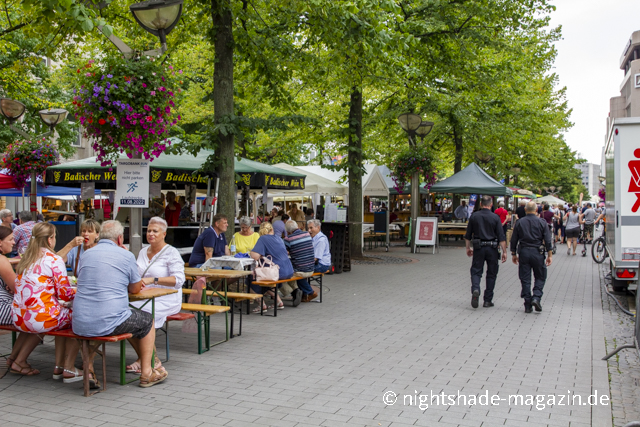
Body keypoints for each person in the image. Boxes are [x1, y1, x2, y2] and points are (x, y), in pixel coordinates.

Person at [72, 220, 167, 388]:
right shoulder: (126, 255)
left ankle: (89, 368)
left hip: (79, 320)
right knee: (146, 320)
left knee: (98, 321)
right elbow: (135, 288)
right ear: (120, 239)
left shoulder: (87, 254)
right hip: (108, 320)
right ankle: (147, 372)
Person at [11, 223, 87, 383]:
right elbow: (65, 294)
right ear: (50, 239)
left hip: (18, 317)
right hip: (40, 319)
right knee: (79, 317)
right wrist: (81, 289)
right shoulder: (53, 260)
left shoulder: (26, 258)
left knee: (46, 316)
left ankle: (21, 361)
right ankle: (68, 367)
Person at [126, 217, 185, 374]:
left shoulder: (172, 253)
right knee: (123, 314)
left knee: (145, 316)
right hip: (144, 297)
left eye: (155, 231)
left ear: (164, 234)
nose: (151, 234)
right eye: (149, 230)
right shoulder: (143, 251)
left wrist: (154, 279)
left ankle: (148, 360)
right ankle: (148, 359)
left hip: (167, 298)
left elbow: (179, 280)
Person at [464, 196, 507, 309]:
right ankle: (488, 300)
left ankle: (476, 289)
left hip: (478, 248)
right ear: (491, 204)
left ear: (481, 204)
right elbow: (501, 236)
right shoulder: (495, 217)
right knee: (491, 273)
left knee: (476, 271)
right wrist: (504, 252)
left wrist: (468, 248)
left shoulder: (474, 216)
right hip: (492, 248)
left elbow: (468, 235)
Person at [510, 201, 553, 313]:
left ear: (525, 210)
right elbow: (548, 240)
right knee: (540, 276)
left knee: (525, 278)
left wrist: (513, 253)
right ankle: (536, 297)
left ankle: (527, 303)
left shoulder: (519, 222)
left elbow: (514, 239)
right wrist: (549, 254)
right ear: (536, 210)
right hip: (537, 252)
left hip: (524, 252)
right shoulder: (542, 222)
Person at [249, 222, 294, 310]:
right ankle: (278, 301)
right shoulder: (279, 238)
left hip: (278, 272)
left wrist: (254, 252)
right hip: (289, 270)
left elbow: (255, 256)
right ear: (272, 229)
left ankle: (261, 304)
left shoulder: (263, 239)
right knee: (265, 280)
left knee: (251, 279)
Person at [283, 220, 317, 306]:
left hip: (300, 270)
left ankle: (299, 292)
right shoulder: (307, 234)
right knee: (299, 270)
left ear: (288, 231)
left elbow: (283, 252)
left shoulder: (288, 239)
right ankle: (302, 293)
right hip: (311, 266)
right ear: (297, 227)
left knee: (285, 274)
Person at [307, 218, 332, 293]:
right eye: (308, 228)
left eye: (311, 228)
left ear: (318, 227)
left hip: (322, 265)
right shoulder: (313, 238)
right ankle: (304, 291)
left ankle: (308, 292)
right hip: (317, 263)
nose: (309, 230)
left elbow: (316, 258)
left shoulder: (321, 240)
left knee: (301, 271)